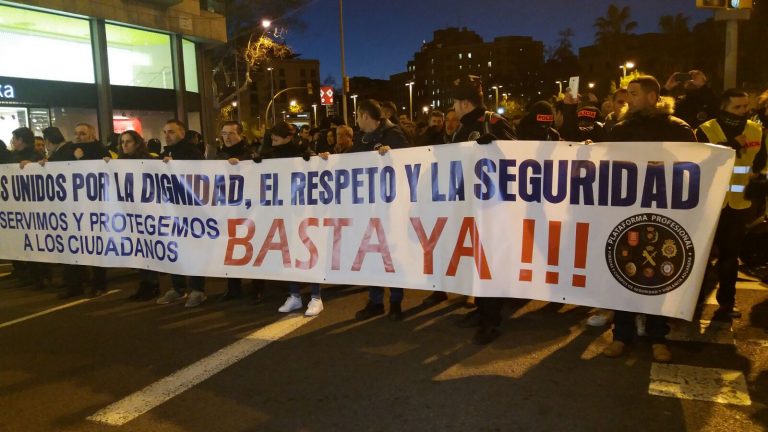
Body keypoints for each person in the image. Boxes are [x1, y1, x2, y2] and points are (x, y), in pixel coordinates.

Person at [603, 75, 697, 362]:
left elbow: (694, 165)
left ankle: (658, 337)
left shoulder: (677, 129)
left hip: (663, 214)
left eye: (633, 93)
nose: (628, 98)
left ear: (653, 97)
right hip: (626, 214)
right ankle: (621, 335)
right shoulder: (620, 129)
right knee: (622, 272)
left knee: (659, 274)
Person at [449, 75, 516, 345]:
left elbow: (518, 158)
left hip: (493, 206)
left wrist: (497, 148)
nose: (452, 107)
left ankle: (491, 320)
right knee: (475, 259)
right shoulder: (460, 129)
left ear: (465, 103)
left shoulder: (494, 122)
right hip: (469, 204)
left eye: (454, 102)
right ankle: (481, 308)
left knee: (491, 261)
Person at [696, 89, 766, 321]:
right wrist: (729, 146)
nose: (744, 112)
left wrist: (759, 179)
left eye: (746, 107)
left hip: (738, 205)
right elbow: (699, 162)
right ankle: (693, 302)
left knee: (730, 257)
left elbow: (760, 163)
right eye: (738, 107)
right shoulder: (706, 130)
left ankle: (726, 304)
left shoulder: (756, 130)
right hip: (707, 205)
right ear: (724, 107)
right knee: (701, 257)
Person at [348, 99, 410, 321]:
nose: (356, 121)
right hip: (367, 206)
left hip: (390, 206)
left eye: (357, 116)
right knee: (372, 254)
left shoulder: (394, 135)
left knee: (391, 253)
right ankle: (375, 301)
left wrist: (393, 155)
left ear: (365, 115)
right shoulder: (361, 138)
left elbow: (409, 163)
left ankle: (395, 302)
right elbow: (349, 162)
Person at [253, 122, 323, 316]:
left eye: (277, 138)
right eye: (272, 138)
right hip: (281, 211)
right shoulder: (267, 154)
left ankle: (316, 297)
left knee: (309, 251)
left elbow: (320, 168)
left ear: (288, 138)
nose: (273, 142)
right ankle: (295, 295)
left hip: (303, 209)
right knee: (288, 252)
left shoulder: (303, 152)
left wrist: (320, 159)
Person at [157, 119, 208, 308]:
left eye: (171, 131)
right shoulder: (164, 154)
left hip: (191, 211)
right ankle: (177, 288)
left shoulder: (193, 153)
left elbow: (199, 176)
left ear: (182, 133)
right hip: (171, 211)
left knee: (192, 250)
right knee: (174, 250)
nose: (167, 135)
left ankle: (197, 290)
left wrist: (176, 165)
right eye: (165, 132)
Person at [216, 121, 265, 304]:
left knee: (252, 247)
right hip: (227, 209)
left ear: (240, 135)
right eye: (224, 133)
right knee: (230, 249)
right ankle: (233, 287)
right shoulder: (217, 155)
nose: (226, 137)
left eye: (230, 133)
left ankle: (257, 288)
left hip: (249, 209)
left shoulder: (252, 154)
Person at [109, 130, 161, 300]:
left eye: (128, 141)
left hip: (147, 212)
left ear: (137, 143)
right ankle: (144, 285)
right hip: (129, 213)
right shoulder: (118, 162)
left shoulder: (148, 161)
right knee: (139, 250)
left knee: (149, 249)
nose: (124, 145)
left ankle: (152, 284)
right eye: (122, 142)